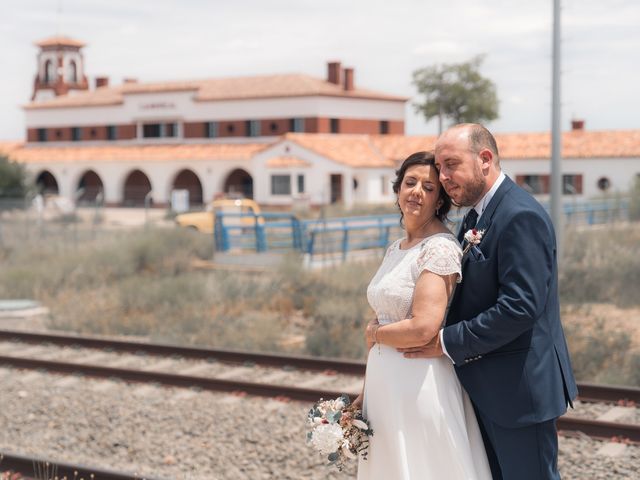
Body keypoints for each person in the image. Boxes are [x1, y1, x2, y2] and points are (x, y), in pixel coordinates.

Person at [398, 124, 578, 479]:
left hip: (518, 392)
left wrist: (446, 342)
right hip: (488, 389)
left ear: (485, 159)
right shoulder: (476, 215)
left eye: (451, 164)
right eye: (440, 166)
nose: (444, 176)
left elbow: (521, 307)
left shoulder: (519, 215)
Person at [354, 151, 492, 480]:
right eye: (410, 182)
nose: (417, 191)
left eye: (429, 188)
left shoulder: (439, 248)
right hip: (386, 384)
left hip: (418, 383)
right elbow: (385, 318)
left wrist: (374, 334)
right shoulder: (397, 248)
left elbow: (423, 328)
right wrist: (365, 391)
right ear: (398, 189)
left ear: (440, 201)